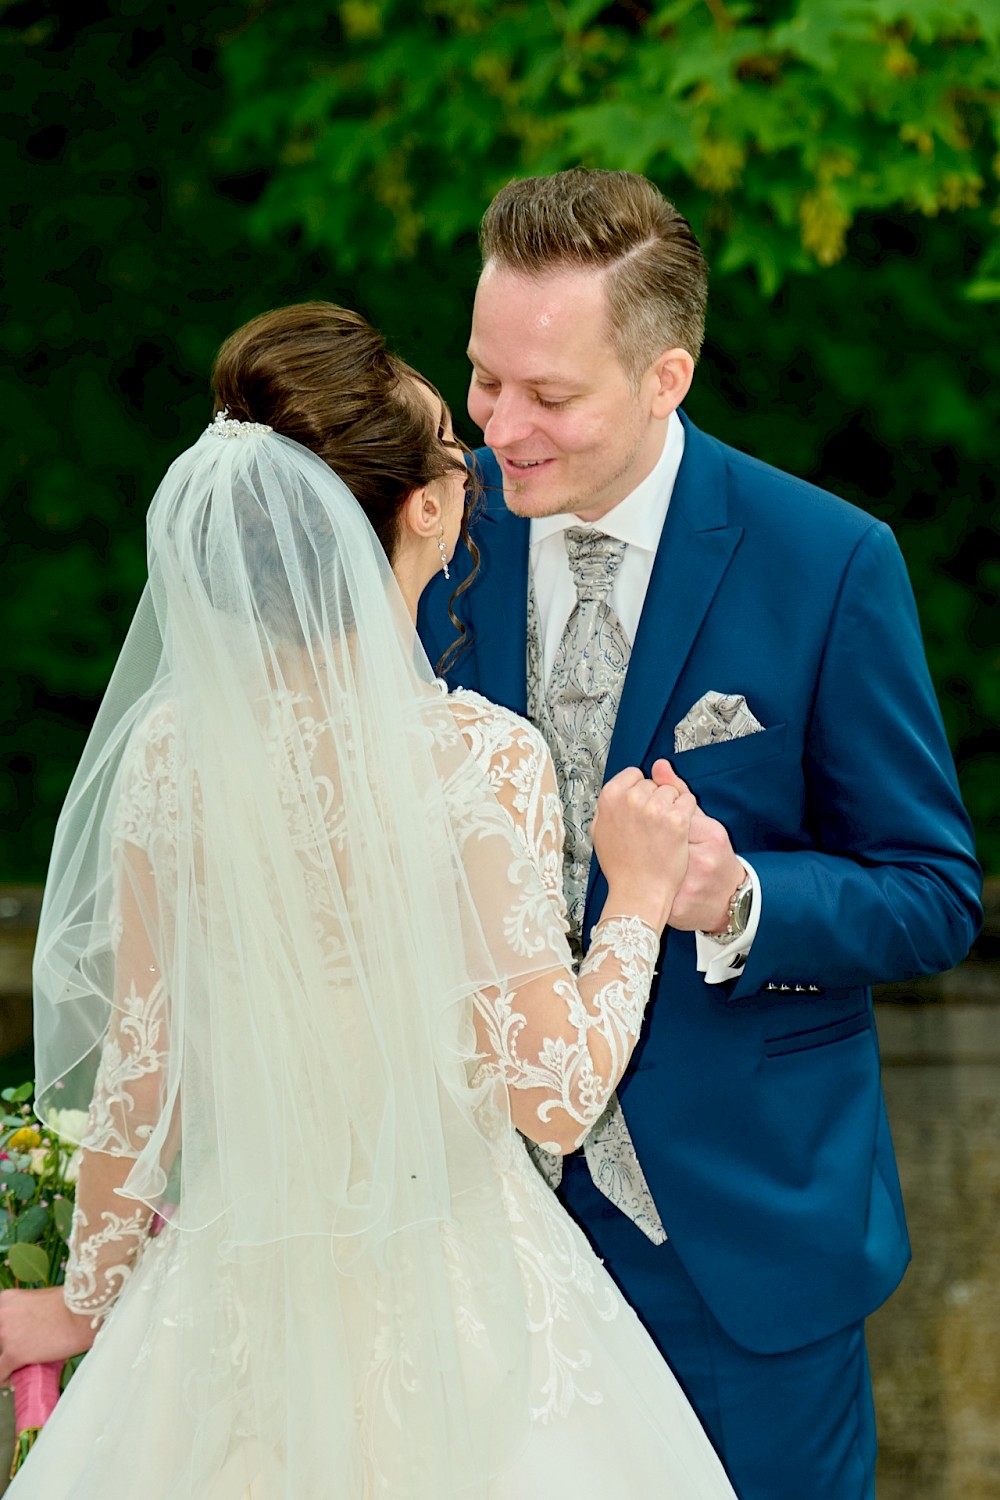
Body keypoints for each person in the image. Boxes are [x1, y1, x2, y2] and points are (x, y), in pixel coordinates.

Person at [0, 303, 739, 1499]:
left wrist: (82, 1306)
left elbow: (142, 1082)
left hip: (227, 1320)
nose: (468, 463)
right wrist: (639, 901)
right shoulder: (476, 759)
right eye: (453, 447)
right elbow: (553, 1097)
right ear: (429, 510)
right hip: (464, 1312)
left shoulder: (172, 758)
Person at [417, 169, 984, 1500]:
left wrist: (740, 898)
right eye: (485, 379)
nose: (499, 425)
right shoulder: (428, 537)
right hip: (468, 1244)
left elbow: (932, 891)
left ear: (668, 376)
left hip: (740, 1256)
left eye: (547, 396)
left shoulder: (828, 560)